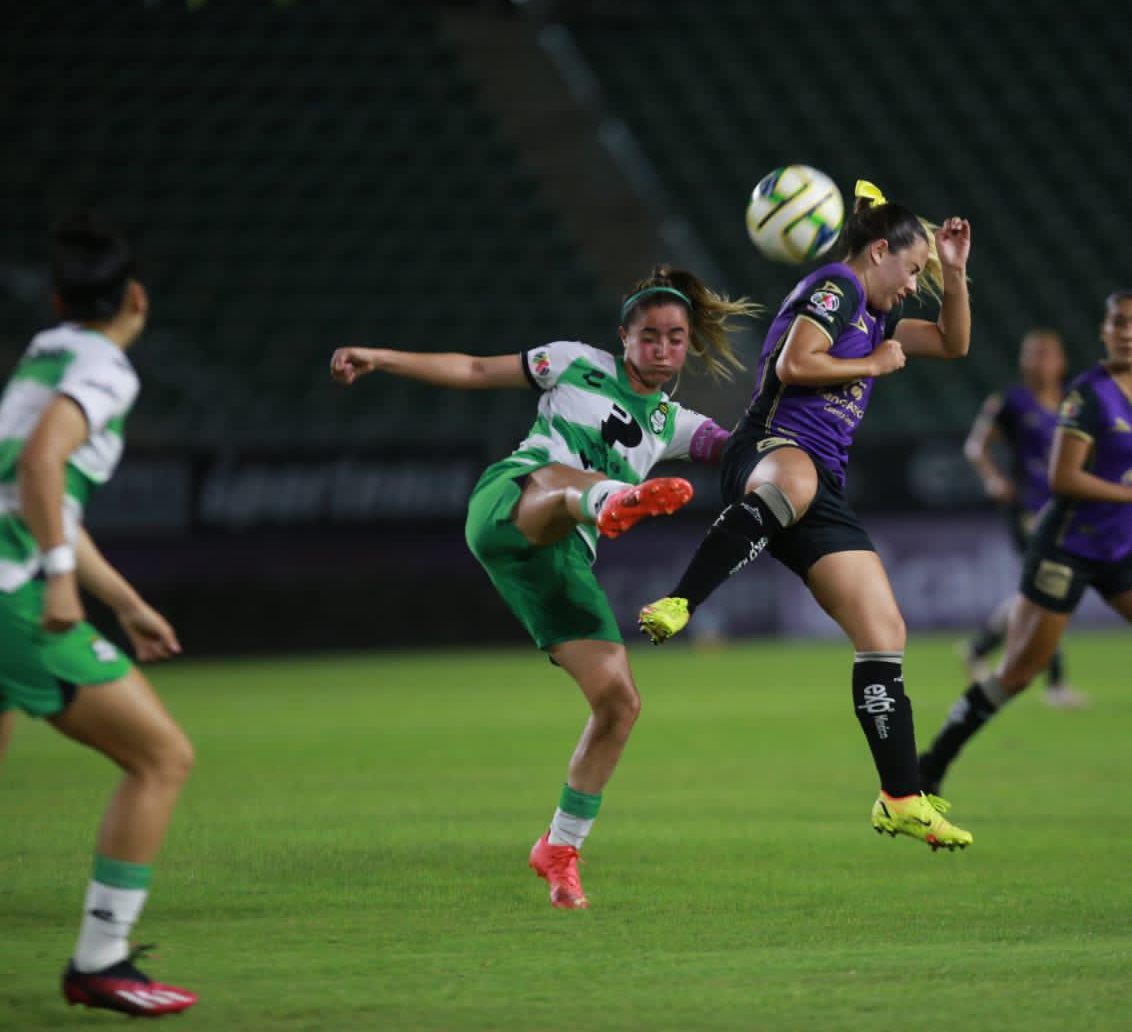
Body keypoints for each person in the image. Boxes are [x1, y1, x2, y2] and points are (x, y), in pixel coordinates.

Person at [329, 266, 759, 907]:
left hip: (559, 561)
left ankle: (559, 848)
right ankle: (615, 500)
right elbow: (474, 371)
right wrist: (379, 358)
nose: (663, 348)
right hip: (513, 499)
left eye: (675, 338)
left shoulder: (672, 423)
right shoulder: (574, 363)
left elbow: (737, 448)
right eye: (650, 336)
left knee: (619, 703)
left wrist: (800, 430)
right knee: (563, 476)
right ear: (624, 338)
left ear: (687, 344)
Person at [637, 180, 976, 850]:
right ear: (879, 251)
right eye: (912, 270)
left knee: (884, 631)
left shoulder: (877, 313)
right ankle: (680, 602)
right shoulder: (837, 287)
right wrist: (875, 364)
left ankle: (900, 797)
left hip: (821, 488)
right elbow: (794, 363)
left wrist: (956, 273)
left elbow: (952, 341)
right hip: (767, 450)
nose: (914, 285)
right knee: (795, 476)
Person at [918, 291, 1132, 812]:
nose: (1128, 332)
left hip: (1120, 543)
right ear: (1104, 334)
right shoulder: (1088, 396)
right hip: (1066, 546)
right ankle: (929, 767)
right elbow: (1064, 479)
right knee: (1017, 674)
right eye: (1118, 324)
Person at [0, 216, 196, 1016]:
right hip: (12, 588)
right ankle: (102, 960)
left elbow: (42, 496)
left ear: (56, 300)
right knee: (162, 757)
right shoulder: (103, 365)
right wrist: (56, 583)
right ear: (137, 297)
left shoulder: (42, 356)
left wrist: (126, 603)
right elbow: (42, 466)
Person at [962, 329, 1088, 709]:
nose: (1038, 361)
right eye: (1031, 354)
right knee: (1050, 588)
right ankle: (1055, 684)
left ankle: (979, 646)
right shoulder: (1010, 402)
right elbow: (975, 446)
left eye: (1046, 354)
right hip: (1028, 510)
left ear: (1061, 362)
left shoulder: (1072, 405)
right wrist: (993, 479)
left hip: (1063, 509)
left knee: (1036, 594)